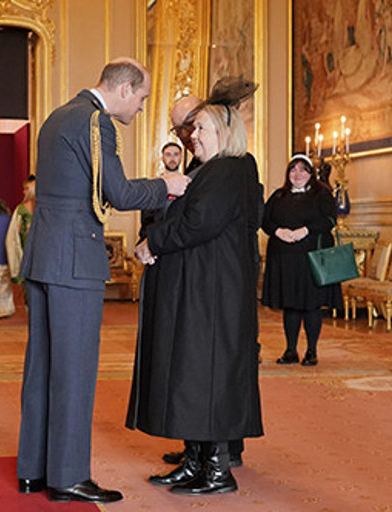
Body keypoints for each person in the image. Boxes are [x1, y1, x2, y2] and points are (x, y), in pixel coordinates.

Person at [16, 57, 190, 504]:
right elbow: (120, 194)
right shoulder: (97, 123)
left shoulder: (58, 116)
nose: (141, 107)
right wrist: (168, 184)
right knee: (73, 371)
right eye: (143, 97)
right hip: (74, 259)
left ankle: (34, 470)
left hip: (43, 256)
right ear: (125, 89)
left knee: (42, 367)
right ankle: (69, 476)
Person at [127, 91, 263, 496]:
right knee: (193, 370)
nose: (192, 137)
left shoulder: (228, 170)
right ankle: (195, 461)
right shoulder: (214, 169)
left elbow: (199, 222)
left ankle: (219, 470)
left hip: (215, 293)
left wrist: (153, 241)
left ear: (222, 130)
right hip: (202, 287)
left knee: (210, 372)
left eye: (199, 128)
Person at [261, 154, 343, 366]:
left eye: (303, 170)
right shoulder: (279, 195)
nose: (297, 174)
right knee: (291, 306)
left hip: (311, 259)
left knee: (311, 306)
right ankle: (290, 350)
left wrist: (305, 231)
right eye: (293, 170)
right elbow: (264, 220)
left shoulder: (321, 194)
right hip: (284, 259)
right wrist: (278, 231)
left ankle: (311, 351)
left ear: (311, 174)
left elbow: (330, 220)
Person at [5, 175, 36, 284]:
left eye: (26, 189)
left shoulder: (42, 209)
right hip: (25, 255)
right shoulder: (21, 210)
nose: (24, 192)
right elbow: (13, 236)